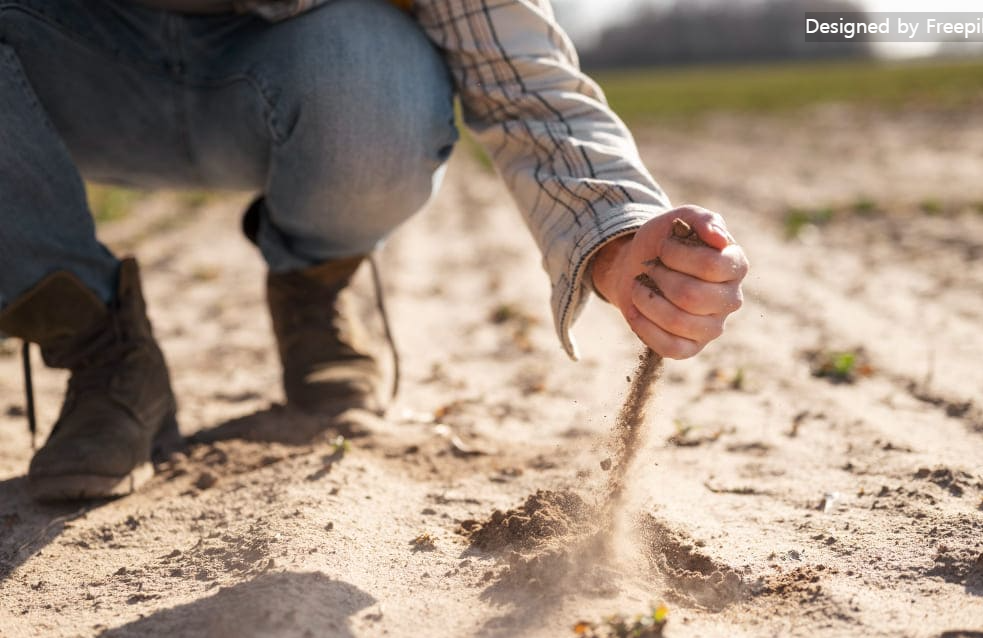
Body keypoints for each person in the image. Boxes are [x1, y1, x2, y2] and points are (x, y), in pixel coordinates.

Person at [0, 0, 749, 502]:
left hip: (288, 75)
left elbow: (520, 76)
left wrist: (615, 235)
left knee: (377, 67)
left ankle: (313, 283)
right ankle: (99, 347)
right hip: (64, 70)